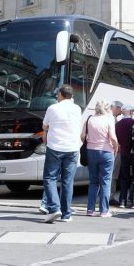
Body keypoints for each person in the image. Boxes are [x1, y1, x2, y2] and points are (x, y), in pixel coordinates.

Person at [41, 84, 82, 223]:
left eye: (58, 94)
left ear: (60, 95)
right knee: (67, 181)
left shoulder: (53, 108)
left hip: (55, 147)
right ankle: (66, 214)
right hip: (72, 148)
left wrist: (47, 132)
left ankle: (54, 207)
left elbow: (45, 125)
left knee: (50, 178)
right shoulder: (77, 109)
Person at [81, 100, 119, 217]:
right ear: (107, 108)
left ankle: (90, 210)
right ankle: (104, 211)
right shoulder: (109, 119)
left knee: (93, 182)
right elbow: (112, 137)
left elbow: (82, 136)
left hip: (91, 152)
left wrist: (90, 143)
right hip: (106, 152)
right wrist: (116, 147)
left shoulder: (89, 119)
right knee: (105, 182)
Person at [115, 105, 134, 209]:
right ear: (131, 112)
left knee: (124, 177)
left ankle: (122, 201)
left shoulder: (117, 124)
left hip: (124, 153)